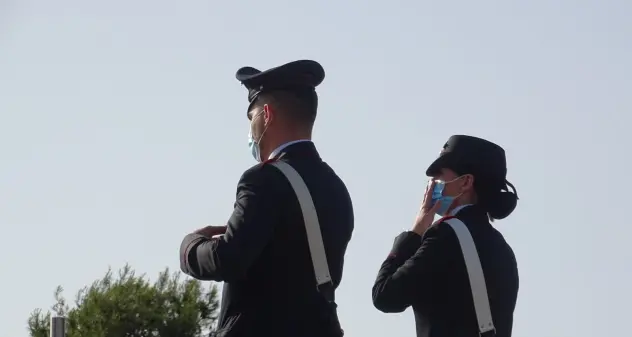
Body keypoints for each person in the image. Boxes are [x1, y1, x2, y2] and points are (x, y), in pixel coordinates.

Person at [179, 60, 354, 337]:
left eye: (251, 118)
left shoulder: (262, 180)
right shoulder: (336, 188)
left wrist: (190, 247)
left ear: (267, 114)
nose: (250, 129)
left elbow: (229, 258)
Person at [372, 135, 520, 337]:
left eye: (439, 176)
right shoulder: (503, 249)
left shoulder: (445, 235)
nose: (432, 184)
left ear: (465, 182)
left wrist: (415, 233)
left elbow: (385, 296)